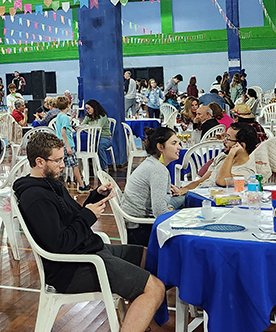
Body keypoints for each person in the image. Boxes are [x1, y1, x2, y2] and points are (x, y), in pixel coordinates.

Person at [13, 132, 165, 332]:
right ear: (40, 162)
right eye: (58, 160)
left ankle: (138, 320)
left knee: (150, 257)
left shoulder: (52, 184)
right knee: (155, 288)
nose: (63, 165)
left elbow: (74, 216)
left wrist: (95, 196)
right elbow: (59, 244)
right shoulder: (35, 197)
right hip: (71, 268)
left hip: (88, 251)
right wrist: (88, 216)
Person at [121, 127, 186, 245]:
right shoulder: (158, 170)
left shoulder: (151, 163)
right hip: (141, 229)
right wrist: (174, 211)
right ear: (160, 147)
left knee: (185, 197)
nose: (179, 147)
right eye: (174, 143)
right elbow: (160, 212)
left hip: (135, 224)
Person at [177, 123, 259, 192]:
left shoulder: (247, 172)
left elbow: (221, 181)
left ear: (241, 145)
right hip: (196, 194)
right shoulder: (222, 156)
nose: (224, 141)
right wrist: (183, 190)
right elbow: (201, 181)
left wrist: (231, 154)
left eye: (228, 138)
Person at [54, 95, 88, 192]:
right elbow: (63, 132)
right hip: (67, 144)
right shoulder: (64, 117)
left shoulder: (60, 116)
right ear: (68, 104)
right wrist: (68, 146)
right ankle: (81, 185)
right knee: (75, 165)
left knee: (59, 165)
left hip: (60, 144)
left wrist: (71, 118)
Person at [82, 100, 113, 171]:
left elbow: (98, 127)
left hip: (105, 137)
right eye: (86, 109)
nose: (88, 110)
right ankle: (87, 167)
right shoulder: (88, 116)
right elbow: (82, 125)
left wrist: (87, 126)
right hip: (94, 138)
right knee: (85, 144)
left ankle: (105, 168)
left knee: (100, 147)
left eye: (89, 108)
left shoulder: (102, 116)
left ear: (94, 107)